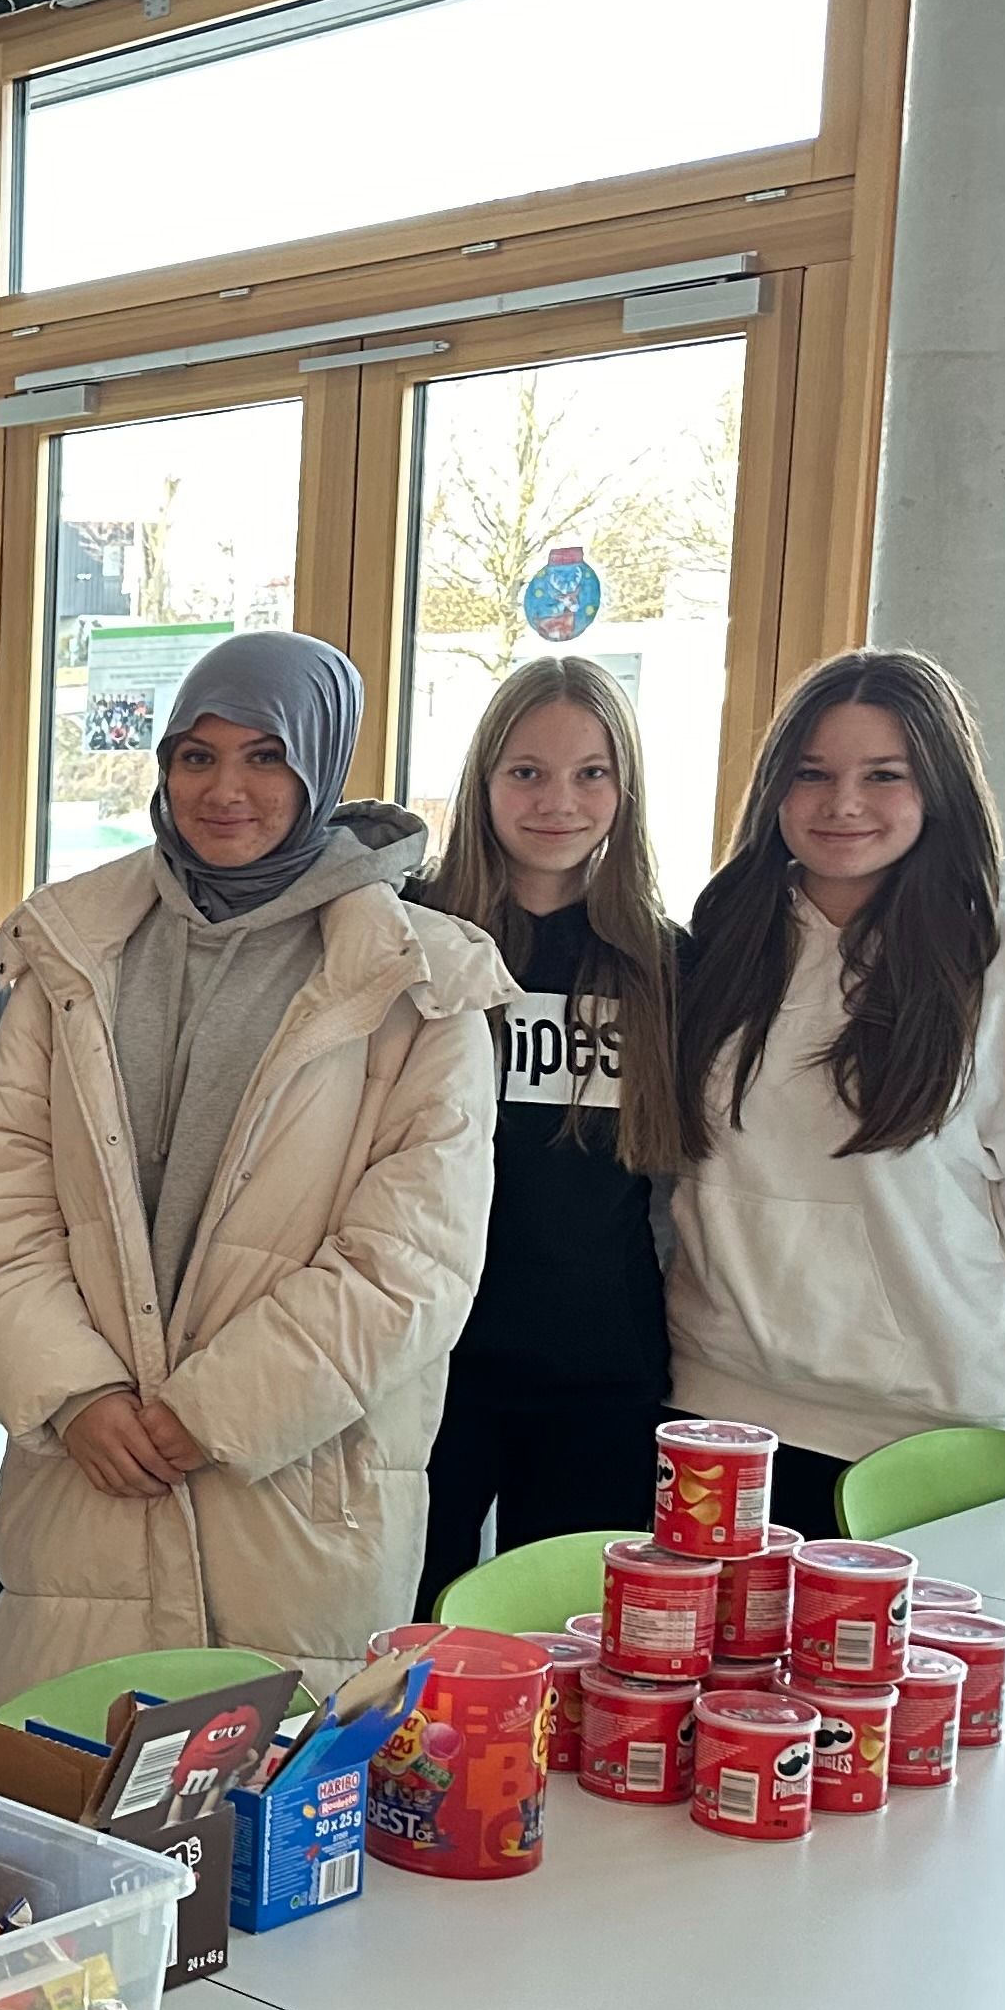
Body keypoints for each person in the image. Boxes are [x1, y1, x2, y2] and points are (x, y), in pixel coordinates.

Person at [0, 631, 509, 1693]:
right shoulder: (76, 949)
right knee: (66, 1829)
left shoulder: (418, 985)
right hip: (87, 1487)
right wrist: (75, 1393)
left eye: (265, 757)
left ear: (321, 767)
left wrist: (207, 1416)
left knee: (275, 1842)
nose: (225, 790)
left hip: (297, 1503)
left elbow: (408, 1270)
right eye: (194, 757)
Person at [666, 648, 1005, 1531]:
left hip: (929, 1445)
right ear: (774, 791)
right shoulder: (720, 946)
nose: (843, 803)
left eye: (884, 774)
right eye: (812, 774)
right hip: (714, 1418)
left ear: (939, 789)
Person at [412, 655, 687, 1602]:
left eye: (591, 773)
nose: (557, 801)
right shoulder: (410, 936)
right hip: (425, 1365)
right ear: (483, 781)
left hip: (598, 1372)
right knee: (396, 1645)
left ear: (625, 789)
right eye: (527, 771)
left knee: (565, 1658)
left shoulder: (662, 963)